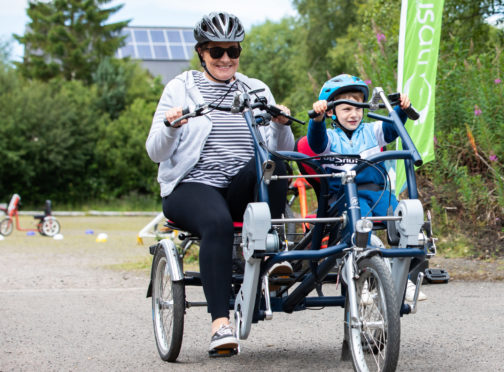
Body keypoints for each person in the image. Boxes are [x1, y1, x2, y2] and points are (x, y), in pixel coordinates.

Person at [146, 11, 294, 354]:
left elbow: (282, 151)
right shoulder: (179, 88)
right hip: (191, 185)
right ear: (202, 52)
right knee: (217, 223)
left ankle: (268, 259)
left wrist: (283, 124)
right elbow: (155, 151)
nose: (226, 58)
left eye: (233, 51)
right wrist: (170, 127)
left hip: (241, 186)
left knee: (277, 165)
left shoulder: (256, 89)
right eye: (217, 51)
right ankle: (219, 324)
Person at [307, 74, 427, 302]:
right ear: (332, 112)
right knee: (361, 225)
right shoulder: (330, 138)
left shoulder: (372, 131)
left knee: (405, 218)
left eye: (358, 108)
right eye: (346, 109)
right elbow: (316, 142)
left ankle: (403, 278)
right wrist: (317, 120)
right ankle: (356, 276)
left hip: (378, 191)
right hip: (346, 194)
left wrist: (401, 110)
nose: (354, 114)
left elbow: (392, 130)